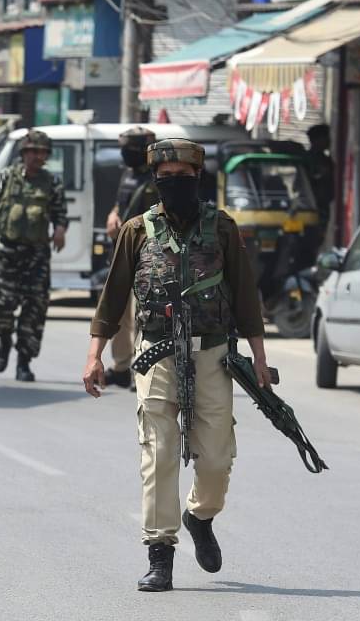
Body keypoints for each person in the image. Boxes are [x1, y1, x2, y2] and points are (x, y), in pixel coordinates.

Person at [81, 139, 271, 593]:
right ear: (156, 183)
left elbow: (246, 296)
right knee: (159, 452)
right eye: (166, 180)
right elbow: (113, 296)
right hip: (157, 354)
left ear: (198, 180)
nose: (175, 186)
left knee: (218, 457)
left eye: (183, 179)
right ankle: (160, 554)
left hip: (212, 354)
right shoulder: (136, 230)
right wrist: (95, 354)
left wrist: (260, 357)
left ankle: (199, 516)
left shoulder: (222, 229)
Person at [0, 129, 68, 383]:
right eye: (35, 152)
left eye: (43, 153)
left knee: (34, 310)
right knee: (1, 308)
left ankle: (24, 362)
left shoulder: (52, 183)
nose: (39, 157)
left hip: (37, 256)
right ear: (24, 153)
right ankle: (5, 340)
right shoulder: (7, 178)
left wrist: (60, 229)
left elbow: (60, 213)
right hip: (7, 253)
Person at [102, 127, 159, 390]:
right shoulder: (128, 174)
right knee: (119, 313)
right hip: (121, 254)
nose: (124, 154)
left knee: (142, 314)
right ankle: (122, 366)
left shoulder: (158, 178)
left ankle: (140, 368)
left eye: (128, 149)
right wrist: (113, 215)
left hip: (147, 255)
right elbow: (118, 203)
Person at [305, 124, 335, 230]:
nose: (328, 141)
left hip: (323, 203)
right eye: (325, 138)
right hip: (312, 204)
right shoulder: (308, 159)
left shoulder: (326, 159)